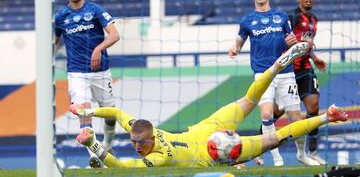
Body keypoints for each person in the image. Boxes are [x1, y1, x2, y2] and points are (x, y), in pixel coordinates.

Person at [70, 43, 346, 168]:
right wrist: (88, 114)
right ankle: (325, 116)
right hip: (210, 136)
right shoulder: (143, 135)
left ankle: (276, 68)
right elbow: (118, 114)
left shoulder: (156, 158)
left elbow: (120, 166)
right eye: (134, 142)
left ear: (152, 135)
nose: (137, 146)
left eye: (140, 143)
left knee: (265, 123)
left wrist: (92, 140)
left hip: (210, 141)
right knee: (263, 121)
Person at [228, 0, 318, 166]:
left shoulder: (282, 16)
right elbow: (239, 41)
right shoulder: (247, 20)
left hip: (286, 72)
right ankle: (276, 157)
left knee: (296, 117)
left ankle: (302, 154)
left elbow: (289, 40)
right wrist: (234, 49)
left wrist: (293, 43)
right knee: (267, 115)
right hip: (263, 74)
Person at [54, 0, 120, 167]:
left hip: (101, 72)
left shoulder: (95, 9)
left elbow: (115, 35)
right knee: (84, 113)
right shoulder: (60, 17)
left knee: (110, 116)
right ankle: (95, 155)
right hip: (76, 74)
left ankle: (107, 145)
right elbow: (54, 43)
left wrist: (98, 49)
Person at [265, 0, 327, 165]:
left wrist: (314, 58)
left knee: (313, 106)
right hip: (288, 71)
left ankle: (313, 151)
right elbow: (282, 40)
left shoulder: (314, 19)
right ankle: (255, 148)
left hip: (306, 69)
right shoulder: (291, 17)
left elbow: (308, 44)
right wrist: (298, 42)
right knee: (275, 112)